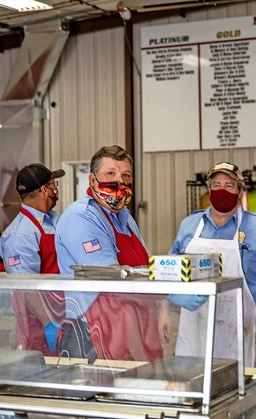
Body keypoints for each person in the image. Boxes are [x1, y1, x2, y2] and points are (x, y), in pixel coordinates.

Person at [168, 162, 256, 367]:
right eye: (216, 185)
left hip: (238, 334)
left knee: (240, 393)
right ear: (209, 190)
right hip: (193, 334)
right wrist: (164, 312)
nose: (221, 190)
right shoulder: (189, 225)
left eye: (229, 185)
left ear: (240, 191)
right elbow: (170, 272)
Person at [54, 145, 164, 362]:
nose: (119, 181)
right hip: (92, 335)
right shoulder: (81, 217)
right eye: (110, 174)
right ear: (93, 180)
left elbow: (147, 268)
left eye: (126, 175)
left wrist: (165, 305)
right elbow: (113, 277)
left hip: (135, 325)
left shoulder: (126, 218)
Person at [0, 163, 66, 355]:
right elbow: (25, 286)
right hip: (36, 327)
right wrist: (49, 325)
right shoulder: (21, 233)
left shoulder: (53, 221)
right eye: (54, 186)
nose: (56, 191)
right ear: (44, 190)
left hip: (62, 318)